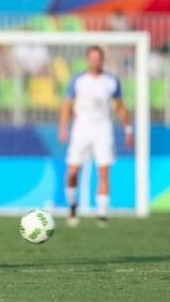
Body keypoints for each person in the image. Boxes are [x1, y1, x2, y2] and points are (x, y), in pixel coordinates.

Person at [58, 46, 133, 228]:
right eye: (92, 58)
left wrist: (128, 129)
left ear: (102, 60)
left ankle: (102, 213)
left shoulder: (111, 81)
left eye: (98, 58)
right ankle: (73, 206)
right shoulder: (78, 80)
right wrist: (63, 127)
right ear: (87, 60)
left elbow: (120, 107)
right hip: (81, 128)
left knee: (104, 172)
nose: (95, 61)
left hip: (103, 129)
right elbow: (67, 105)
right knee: (73, 172)